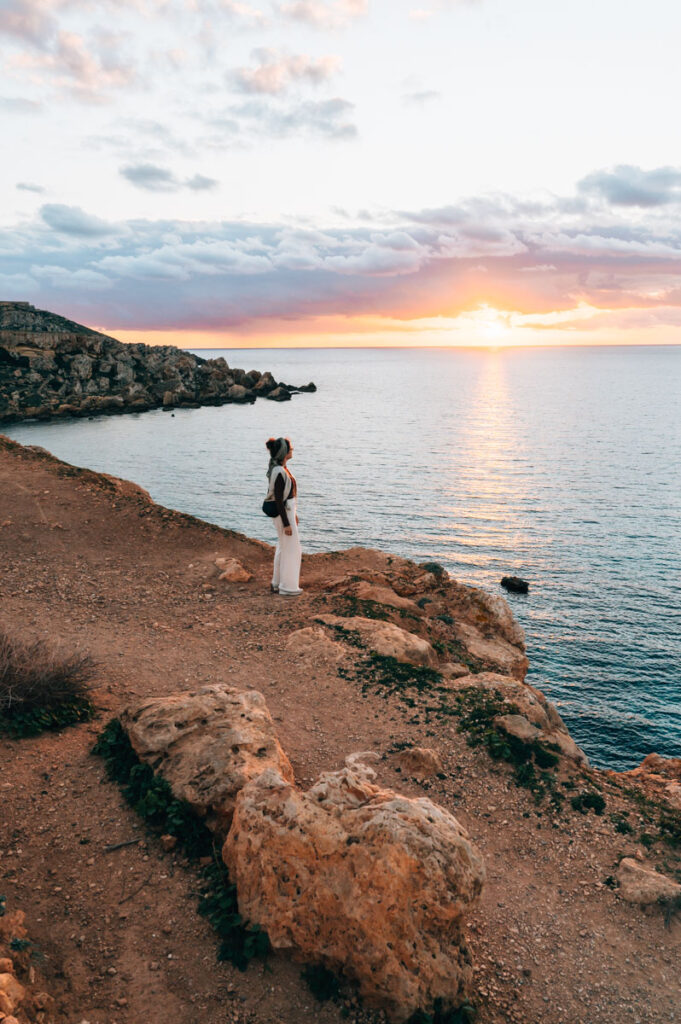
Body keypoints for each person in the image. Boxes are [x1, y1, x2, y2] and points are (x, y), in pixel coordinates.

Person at [265, 436, 302, 596]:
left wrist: (294, 515)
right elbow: (279, 500)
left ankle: (277, 583)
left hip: (287, 513)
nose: (292, 449)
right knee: (292, 549)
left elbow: (287, 498)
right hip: (283, 515)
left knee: (283, 547)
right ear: (284, 452)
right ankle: (288, 587)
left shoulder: (281, 469)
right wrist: (287, 523)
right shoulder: (280, 471)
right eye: (290, 447)